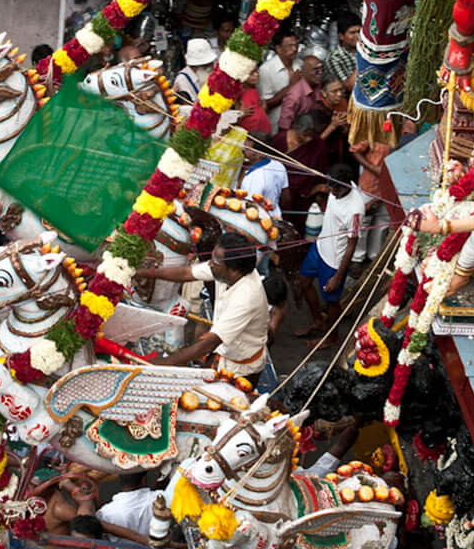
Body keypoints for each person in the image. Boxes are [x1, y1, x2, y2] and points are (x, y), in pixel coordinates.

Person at [133, 231, 269, 384]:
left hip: (240, 369)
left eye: (215, 262)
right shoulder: (224, 269)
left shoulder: (246, 297)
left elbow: (208, 344)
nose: (210, 264)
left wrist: (160, 364)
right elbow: (186, 273)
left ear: (234, 271)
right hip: (222, 352)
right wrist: (140, 272)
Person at [297, 164, 367, 338]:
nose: (331, 192)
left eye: (334, 189)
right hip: (320, 246)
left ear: (345, 186)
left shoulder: (355, 210)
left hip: (334, 260)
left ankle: (332, 337)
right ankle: (318, 322)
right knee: (304, 282)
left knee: (331, 301)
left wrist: (337, 276)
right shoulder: (335, 187)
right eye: (330, 187)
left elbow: (352, 245)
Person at [174, 37, 219, 105]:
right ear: (199, 66)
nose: (211, 66)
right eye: (207, 65)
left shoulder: (211, 73)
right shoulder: (182, 80)